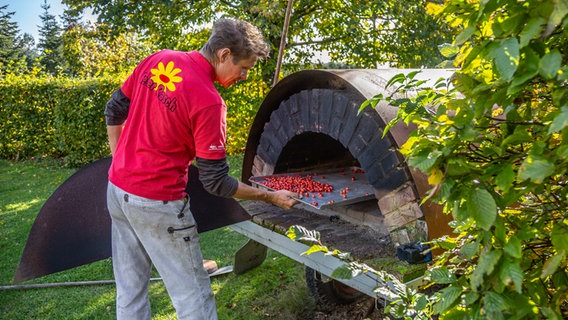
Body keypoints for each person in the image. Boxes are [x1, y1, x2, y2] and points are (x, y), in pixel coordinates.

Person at [104, 18, 298, 320]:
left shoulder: (159, 60)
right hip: (158, 205)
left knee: (130, 290)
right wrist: (271, 197)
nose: (244, 76)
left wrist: (120, 161)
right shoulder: (209, 102)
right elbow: (216, 182)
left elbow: (114, 108)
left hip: (117, 192)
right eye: (243, 67)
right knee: (193, 297)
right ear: (223, 55)